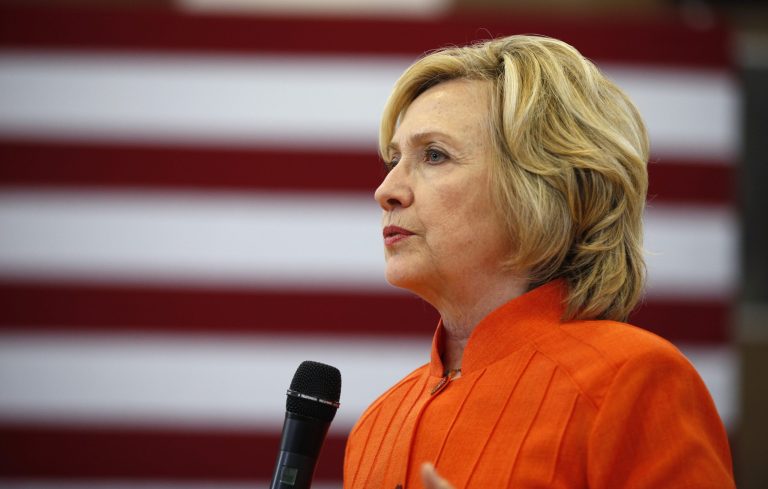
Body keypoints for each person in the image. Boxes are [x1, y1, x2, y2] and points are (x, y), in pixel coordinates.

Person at [343, 35, 735, 489]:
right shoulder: (376, 423)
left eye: (434, 155)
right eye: (393, 159)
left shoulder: (632, 380)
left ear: (542, 187)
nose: (386, 190)